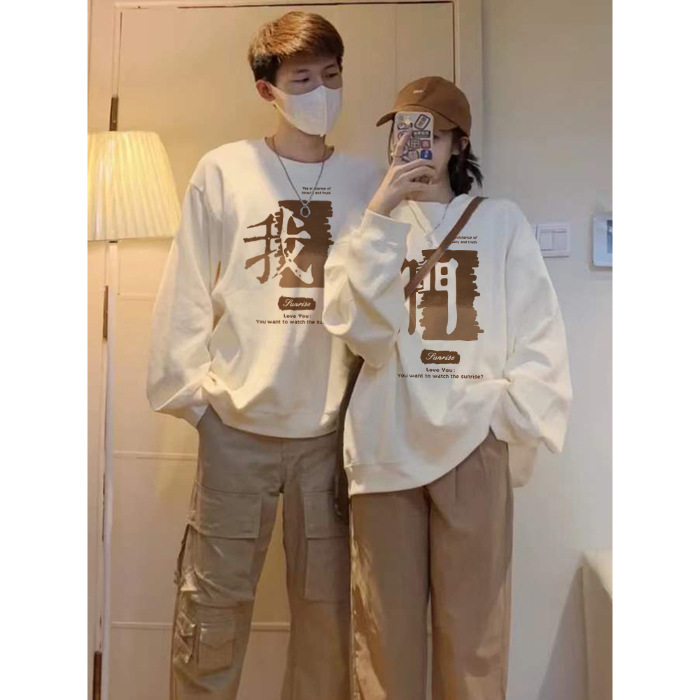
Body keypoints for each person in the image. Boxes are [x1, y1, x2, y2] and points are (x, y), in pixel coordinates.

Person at [146, 11, 383, 699]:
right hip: (236, 427)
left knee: (328, 621)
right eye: (303, 80)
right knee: (211, 612)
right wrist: (198, 404)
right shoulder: (224, 171)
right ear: (267, 90)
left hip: (328, 434)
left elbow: (381, 299)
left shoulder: (367, 181)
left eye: (332, 76)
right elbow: (188, 289)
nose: (322, 93)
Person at [323, 76, 573, 699]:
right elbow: (365, 336)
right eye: (404, 133)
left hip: (472, 445)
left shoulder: (501, 223)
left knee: (474, 641)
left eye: (431, 134)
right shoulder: (366, 227)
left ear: (459, 144)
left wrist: (500, 419)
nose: (415, 147)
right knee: (385, 643)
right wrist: (380, 215)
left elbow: (540, 333)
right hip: (386, 449)